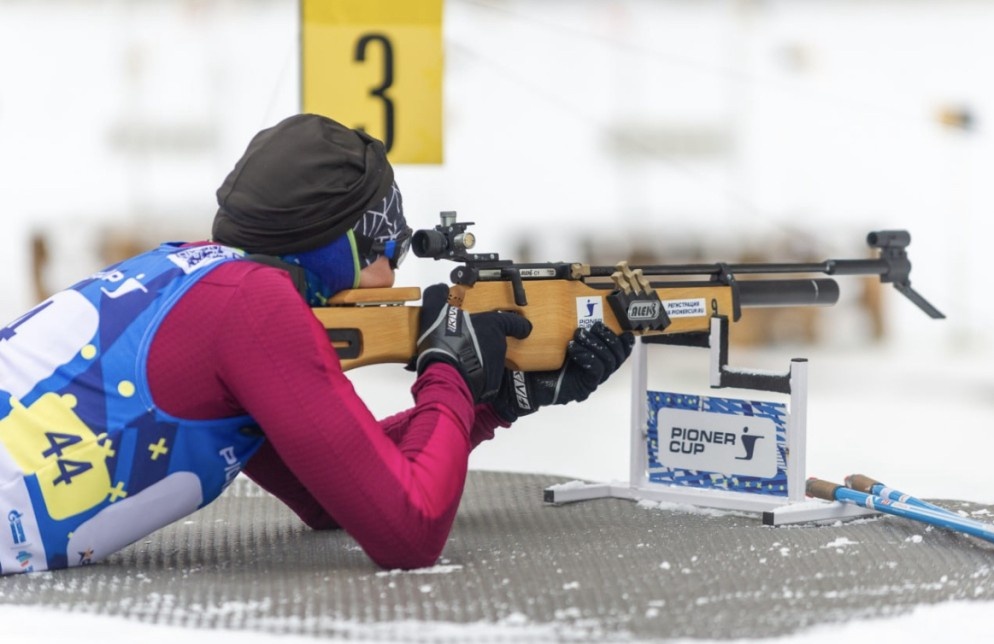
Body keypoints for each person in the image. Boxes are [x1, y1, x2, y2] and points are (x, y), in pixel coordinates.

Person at [0, 114, 633, 575]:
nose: (393, 274)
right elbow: (407, 534)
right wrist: (452, 375)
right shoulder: (256, 309)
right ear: (341, 243)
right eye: (390, 248)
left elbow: (335, 491)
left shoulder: (191, 273)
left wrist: (494, 400)